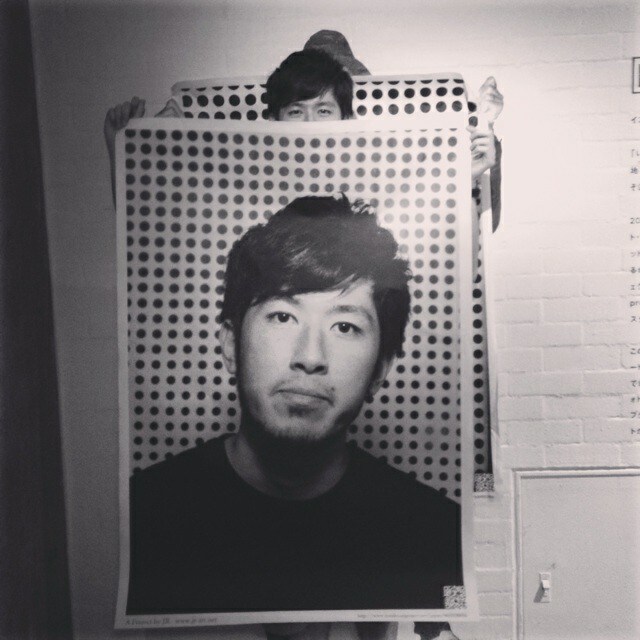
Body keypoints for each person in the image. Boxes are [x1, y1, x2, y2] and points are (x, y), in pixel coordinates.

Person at [127, 196, 463, 622]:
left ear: (380, 370)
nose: (310, 357)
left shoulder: (437, 532)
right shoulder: (141, 515)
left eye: (345, 326)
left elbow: (452, 616)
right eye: (283, 317)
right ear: (230, 345)